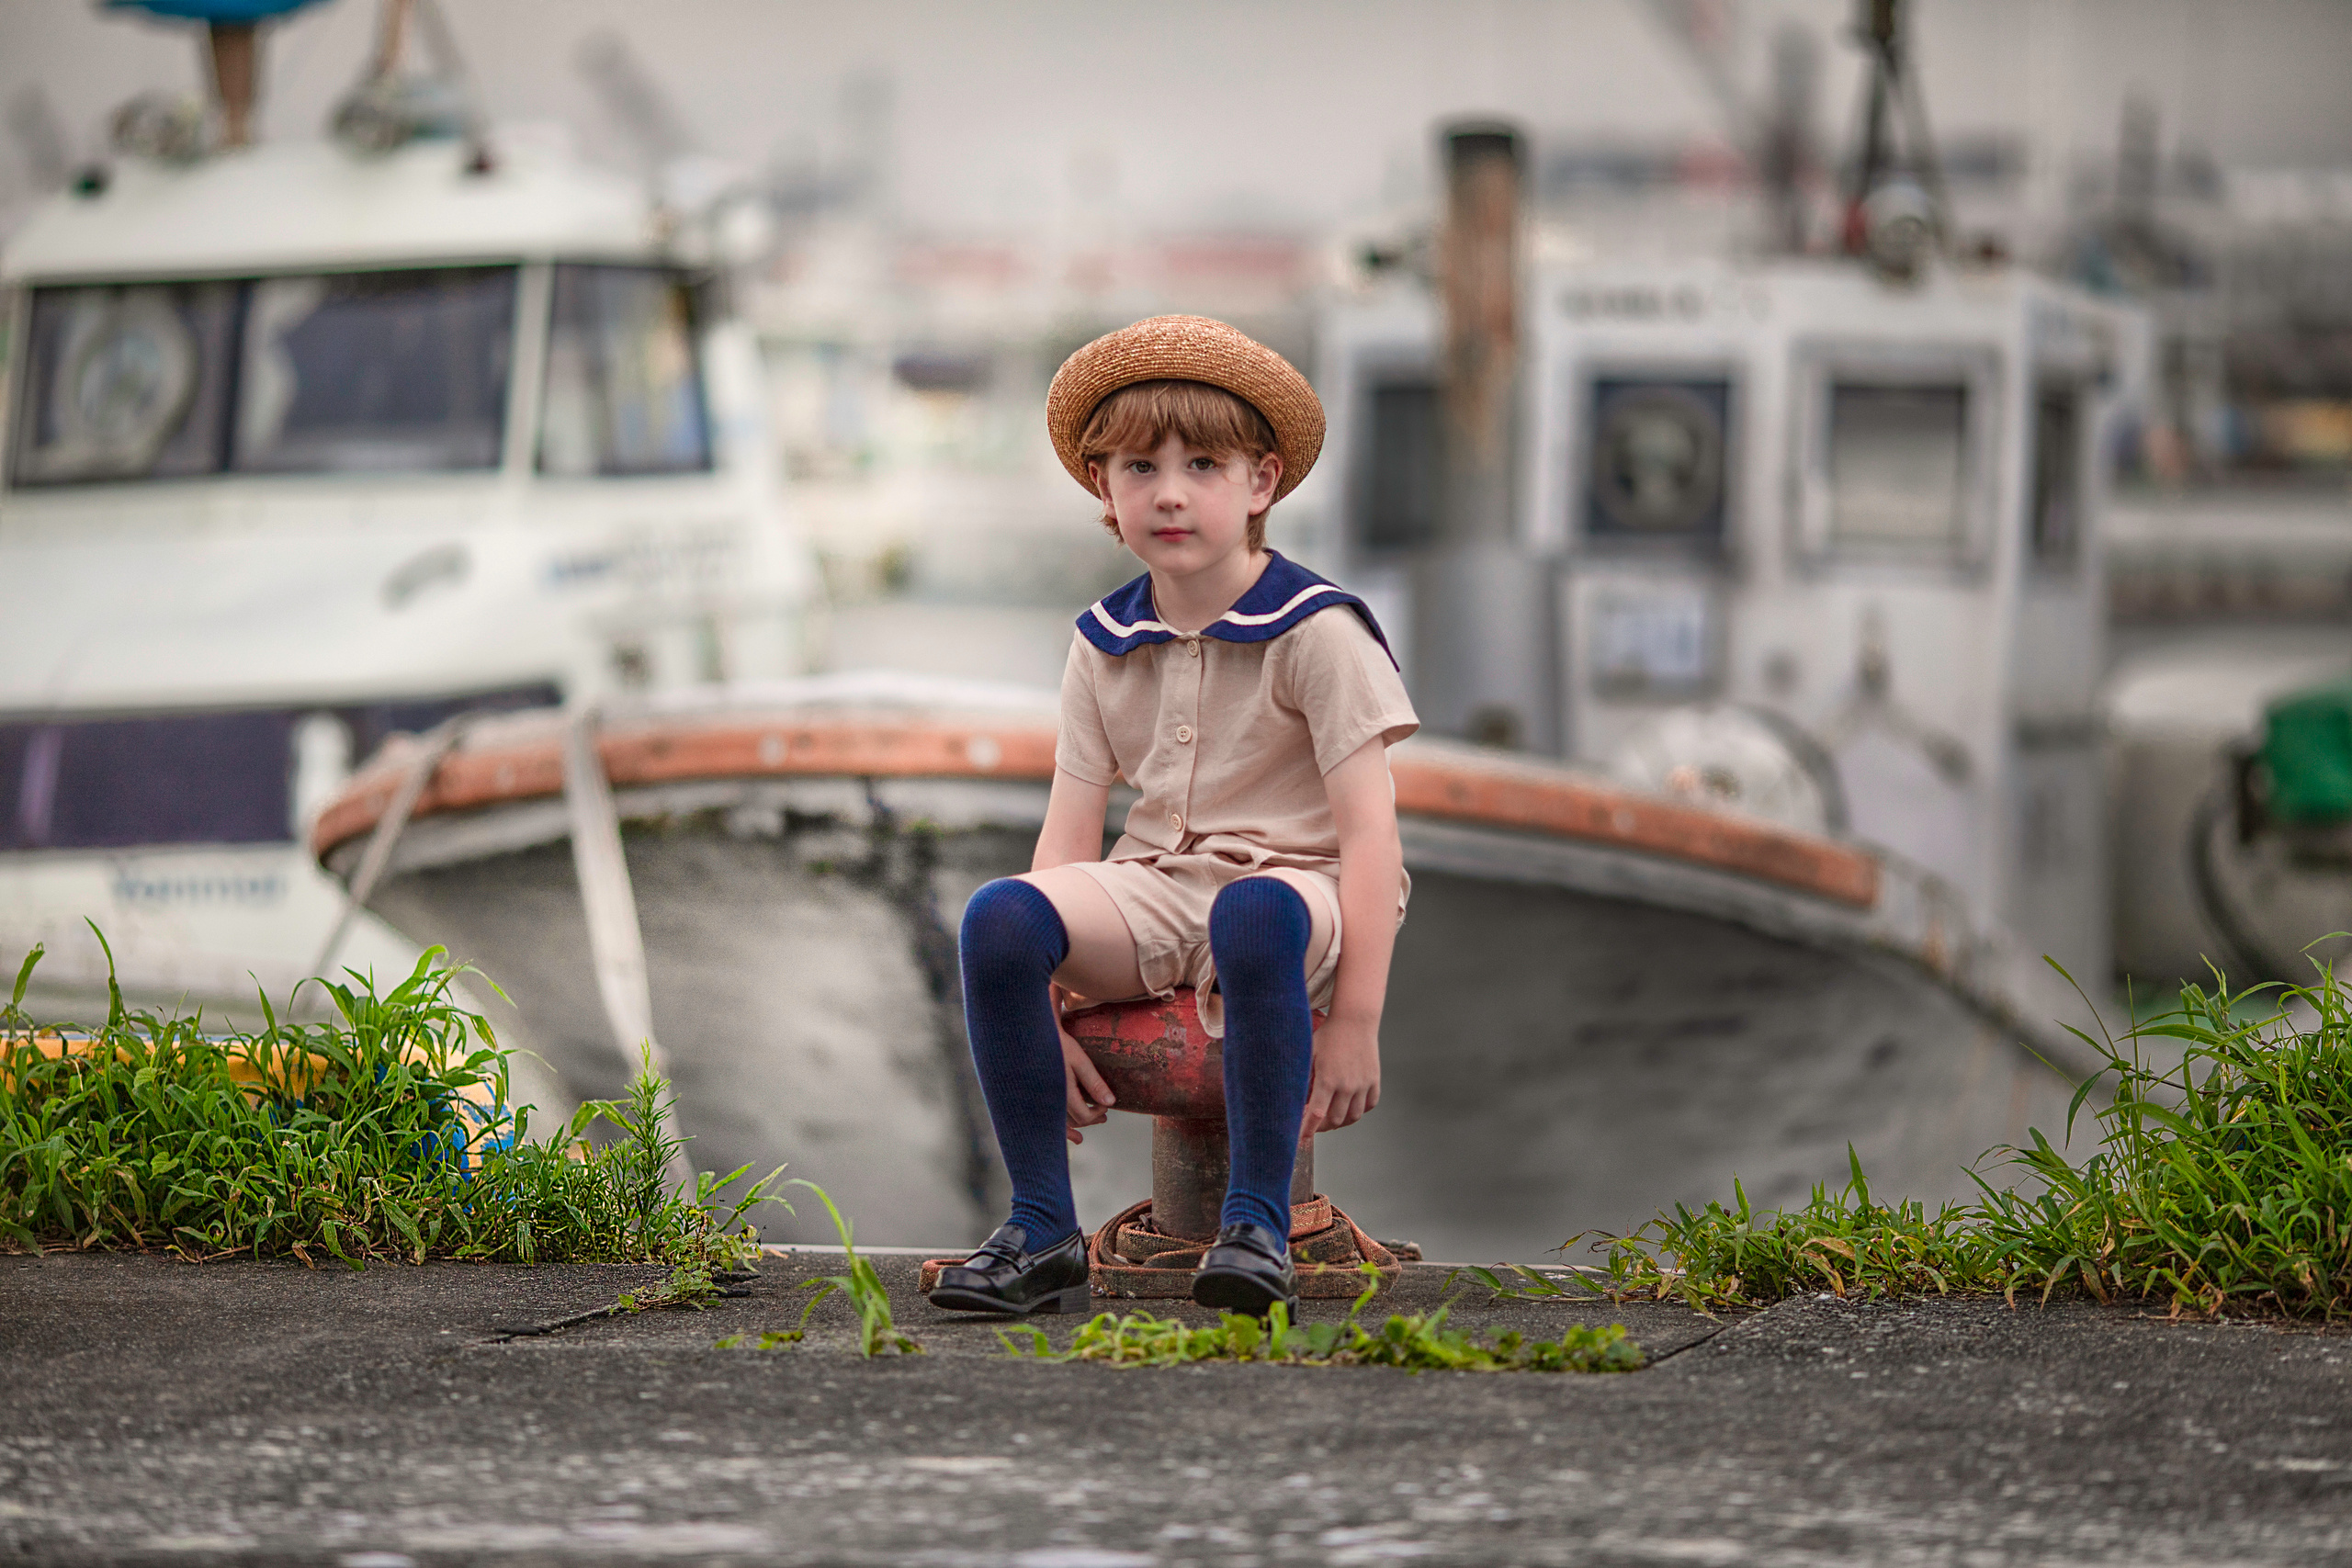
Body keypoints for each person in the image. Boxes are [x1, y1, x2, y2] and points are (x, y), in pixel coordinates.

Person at [927, 316, 1419, 1320]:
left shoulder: (1316, 631)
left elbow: (1372, 838)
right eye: (1137, 466)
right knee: (1000, 917)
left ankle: (1254, 1227)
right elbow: (1070, 837)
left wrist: (1359, 1023)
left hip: (1300, 895)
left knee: (1250, 914)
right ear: (1103, 492)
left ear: (1261, 484)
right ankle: (1038, 1228)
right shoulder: (1105, 643)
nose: (1169, 491)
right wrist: (1056, 1002)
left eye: (1203, 462)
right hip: (1157, 886)